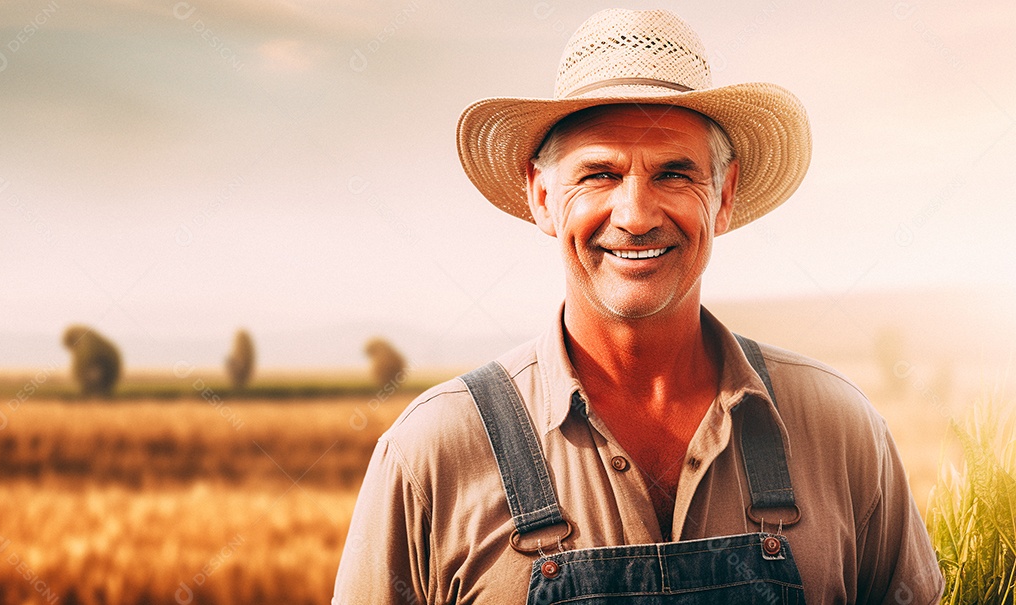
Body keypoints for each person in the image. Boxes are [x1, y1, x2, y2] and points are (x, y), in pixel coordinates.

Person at [333, 8, 944, 604]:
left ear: (723, 196)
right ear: (543, 197)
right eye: (599, 174)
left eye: (675, 174)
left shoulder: (840, 432)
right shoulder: (432, 455)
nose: (635, 215)